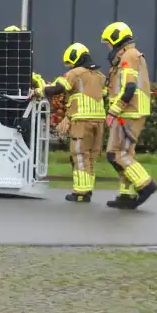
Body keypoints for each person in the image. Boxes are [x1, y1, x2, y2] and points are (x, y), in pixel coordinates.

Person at [31, 43, 106, 203]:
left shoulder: (75, 73)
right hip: (99, 121)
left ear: (75, 58)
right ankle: (88, 189)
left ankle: (81, 192)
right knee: (91, 157)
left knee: (79, 155)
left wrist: (38, 91)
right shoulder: (100, 76)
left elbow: (57, 88)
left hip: (82, 120)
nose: (69, 66)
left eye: (70, 62)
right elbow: (104, 93)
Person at [99, 21, 157, 209]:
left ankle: (145, 185)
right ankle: (126, 194)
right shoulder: (127, 56)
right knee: (125, 154)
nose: (108, 47)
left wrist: (113, 111)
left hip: (129, 111)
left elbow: (129, 87)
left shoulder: (129, 56)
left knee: (116, 153)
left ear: (116, 39)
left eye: (108, 43)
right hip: (130, 110)